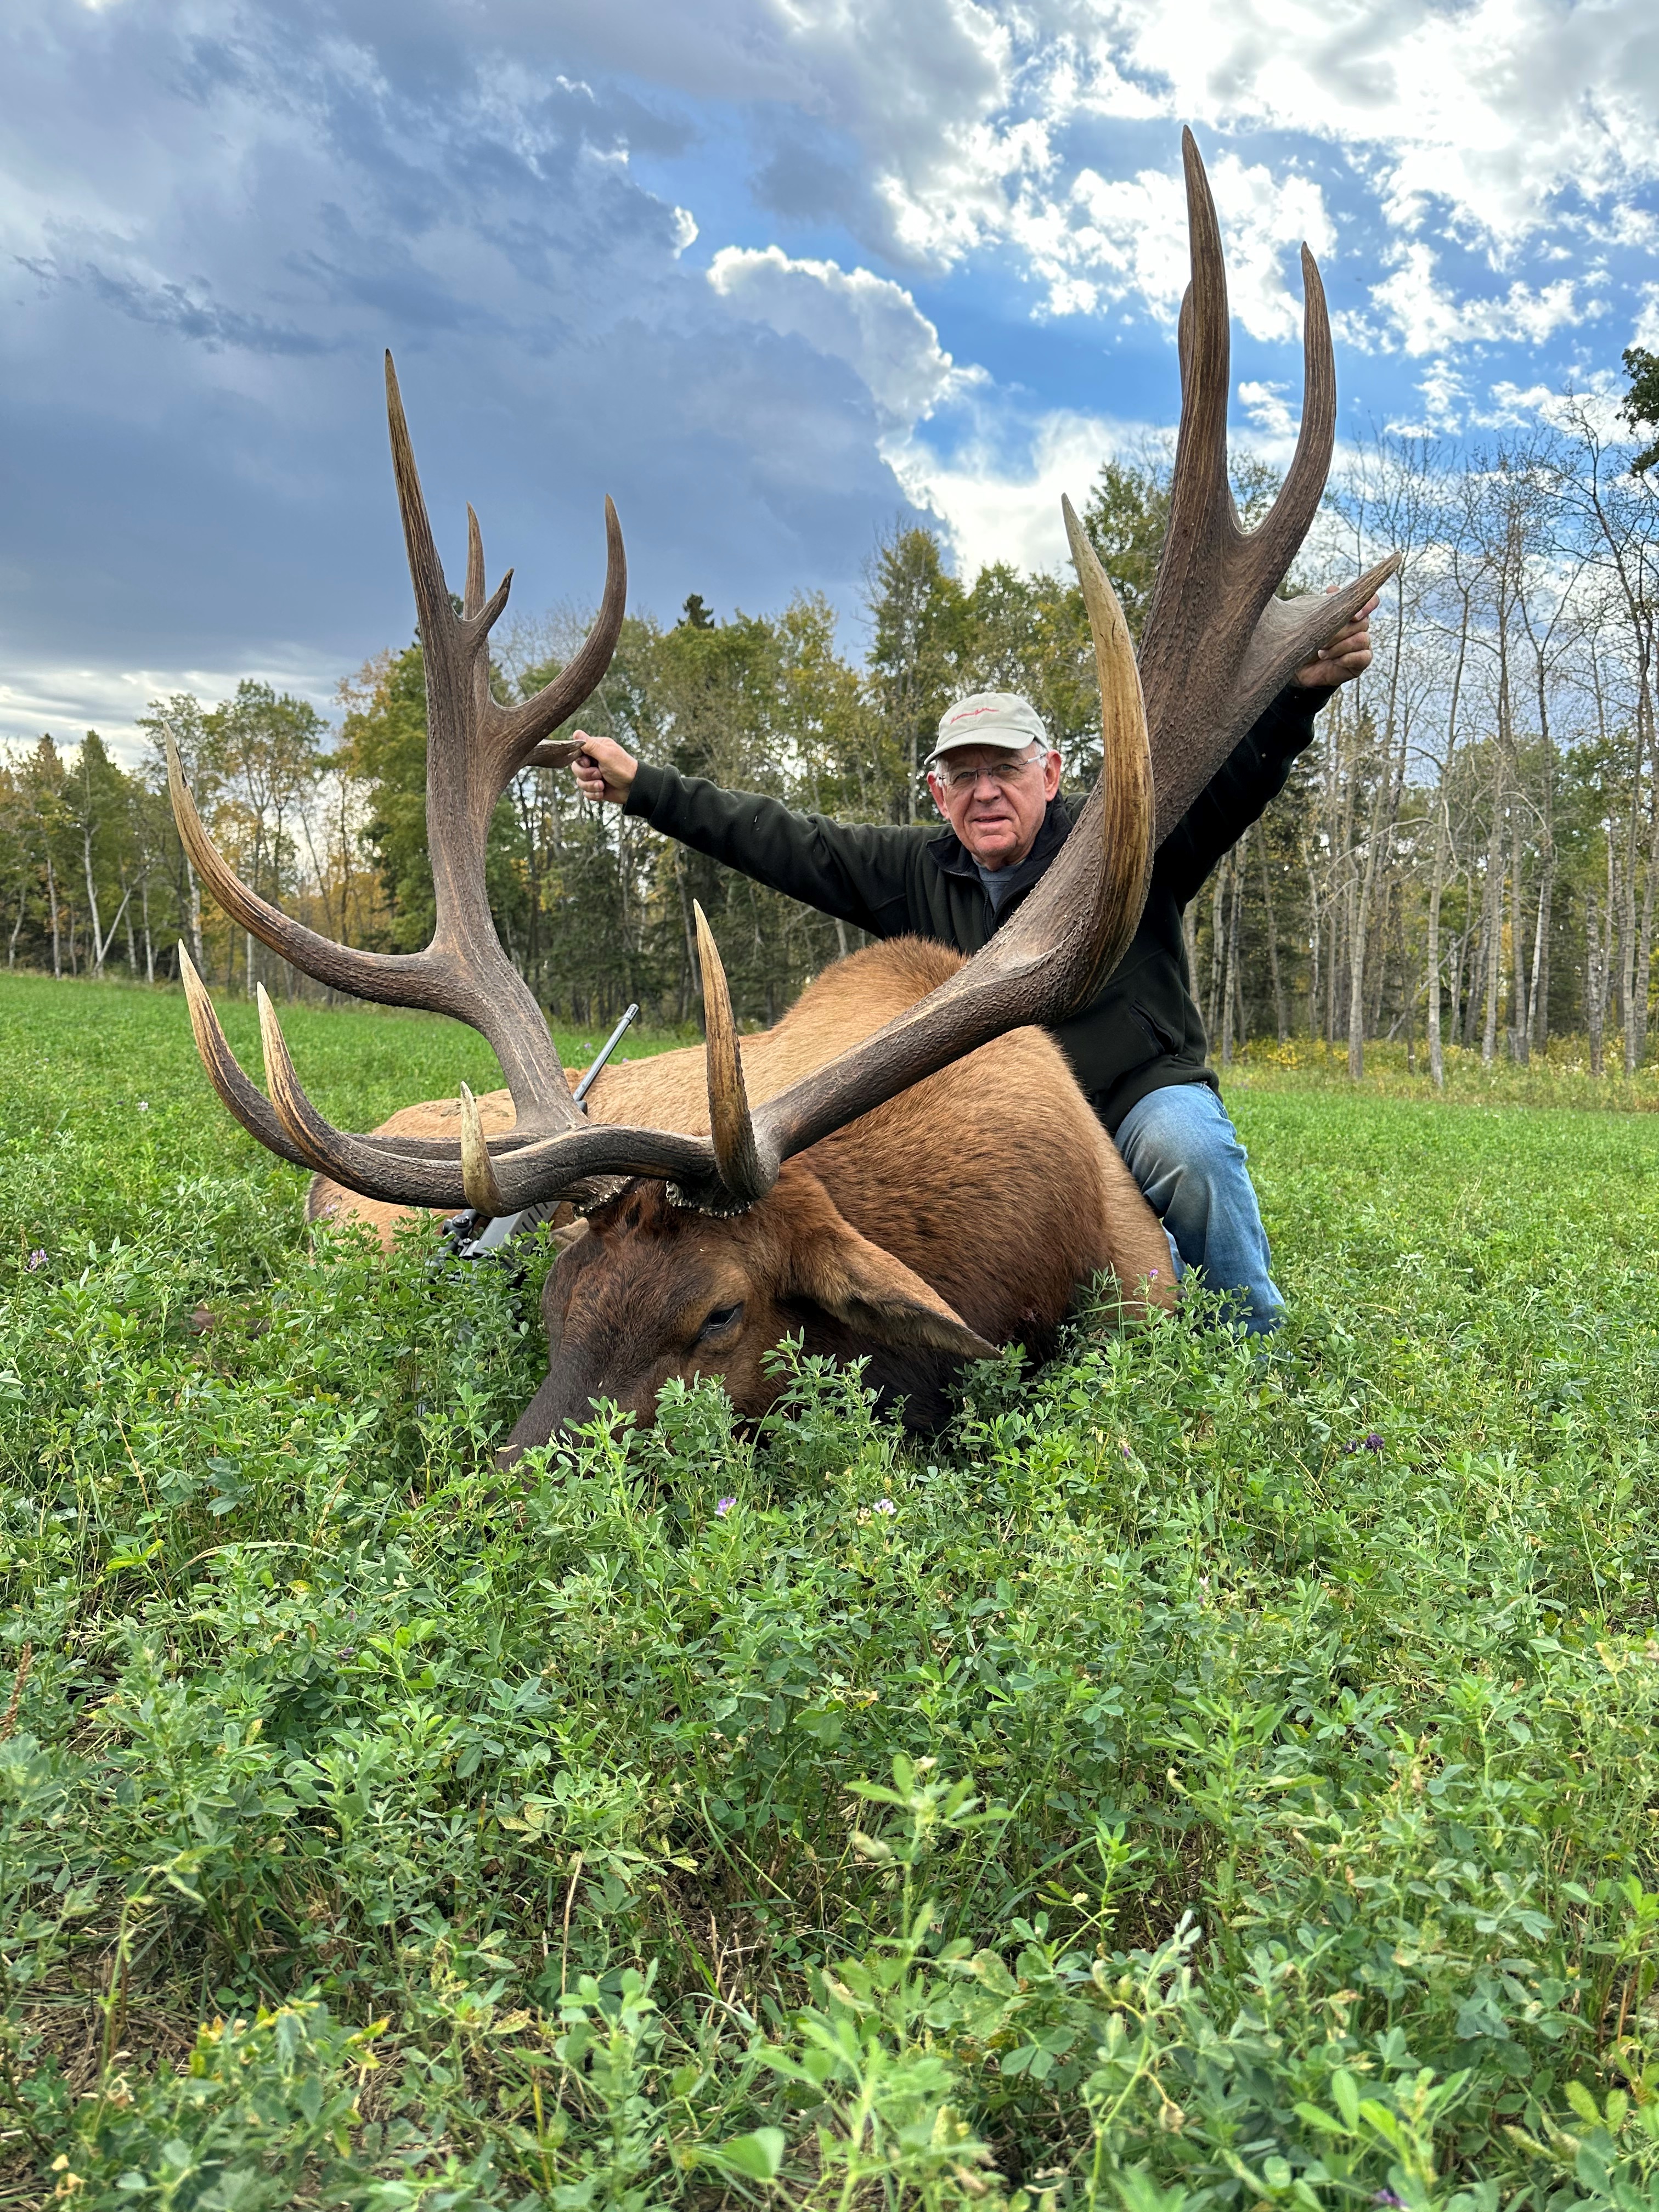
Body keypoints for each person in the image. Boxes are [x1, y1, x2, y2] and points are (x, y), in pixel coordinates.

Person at [568, 595, 1375, 1333]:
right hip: (1003, 1131)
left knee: (1192, 1156)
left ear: (1051, 773)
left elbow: (1230, 786)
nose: (985, 792)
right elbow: (781, 839)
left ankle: (1254, 1351)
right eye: (964, 775)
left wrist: (1297, 697)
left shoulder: (1124, 837)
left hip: (1130, 1092)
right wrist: (645, 789)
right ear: (937, 792)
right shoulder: (917, 871)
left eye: (1006, 769)